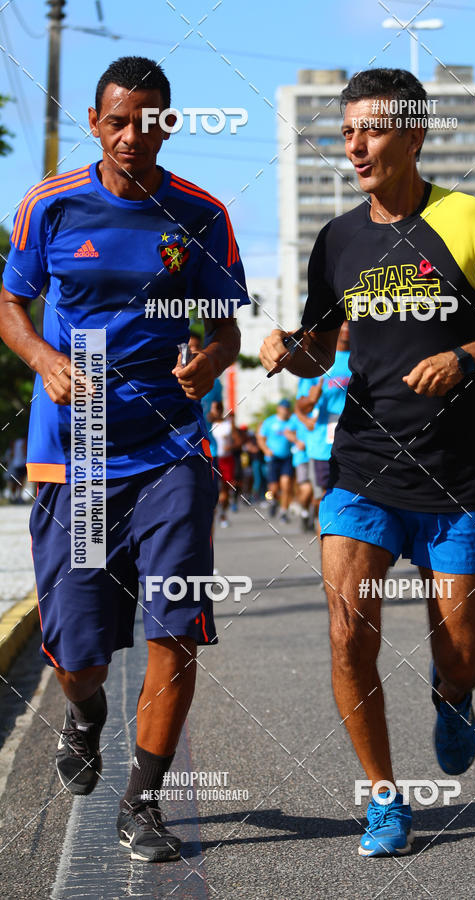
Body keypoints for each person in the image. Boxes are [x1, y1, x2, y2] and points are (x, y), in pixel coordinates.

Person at [260, 67, 475, 857]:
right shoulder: (336, 240)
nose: (354, 146)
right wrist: (285, 349)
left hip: (459, 477)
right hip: (362, 467)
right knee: (347, 632)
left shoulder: (467, 219)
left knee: (461, 654)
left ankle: (452, 694)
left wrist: (470, 355)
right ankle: (384, 799)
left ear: (415, 134)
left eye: (371, 129)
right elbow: (318, 350)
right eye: (346, 132)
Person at [0, 56, 249, 862]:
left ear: (167, 125)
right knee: (78, 650)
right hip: (73, 453)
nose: (131, 136)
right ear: (94, 122)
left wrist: (210, 362)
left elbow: (226, 330)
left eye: (147, 122)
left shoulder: (201, 215)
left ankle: (142, 801)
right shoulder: (49, 205)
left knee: (177, 624)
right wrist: (43, 358)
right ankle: (84, 711)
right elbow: (10, 303)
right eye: (116, 121)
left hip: (171, 447)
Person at [295, 321, 351, 532]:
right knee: (324, 502)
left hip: (357, 442)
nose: (346, 328)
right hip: (322, 447)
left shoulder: (363, 358)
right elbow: (300, 405)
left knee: (355, 503)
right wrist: (311, 400)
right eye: (342, 323)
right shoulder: (317, 361)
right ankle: (326, 548)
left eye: (350, 323)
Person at [257, 399, 295, 522]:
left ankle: (283, 512)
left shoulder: (292, 422)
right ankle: (273, 501)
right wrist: (266, 450)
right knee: (273, 487)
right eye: (283, 408)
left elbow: (298, 435)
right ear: (279, 408)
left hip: (287, 457)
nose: (285, 411)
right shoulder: (269, 422)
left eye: (287, 409)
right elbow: (261, 438)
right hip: (273, 458)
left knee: (286, 484)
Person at [286, 410, 314, 530]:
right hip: (302, 457)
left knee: (316, 491)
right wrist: (297, 442)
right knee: (307, 488)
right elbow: (287, 432)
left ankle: (308, 514)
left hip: (318, 456)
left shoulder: (318, 412)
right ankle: (303, 510)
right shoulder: (296, 416)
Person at [210, 401, 235, 527]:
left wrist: (230, 446)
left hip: (226, 459)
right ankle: (214, 514)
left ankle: (223, 513)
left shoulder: (228, 425)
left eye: (218, 408)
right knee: (214, 488)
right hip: (212, 458)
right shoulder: (208, 424)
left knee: (225, 489)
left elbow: (238, 440)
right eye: (214, 408)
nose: (216, 411)